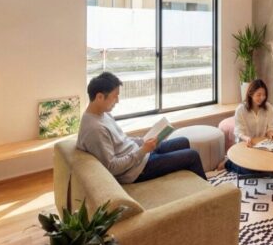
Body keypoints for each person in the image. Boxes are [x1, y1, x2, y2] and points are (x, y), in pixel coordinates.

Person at [77, 71, 206, 183]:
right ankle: (210, 195)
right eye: (115, 96)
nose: (117, 101)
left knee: (183, 141)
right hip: (136, 170)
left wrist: (142, 141)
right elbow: (112, 167)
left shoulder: (103, 113)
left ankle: (193, 185)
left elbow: (122, 140)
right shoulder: (95, 129)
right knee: (192, 155)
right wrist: (143, 150)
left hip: (139, 154)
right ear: (99, 97)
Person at [223, 79, 273, 173]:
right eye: (258, 95)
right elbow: (238, 131)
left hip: (261, 146)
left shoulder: (268, 108)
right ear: (251, 94)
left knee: (269, 169)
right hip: (246, 146)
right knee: (253, 172)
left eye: (264, 95)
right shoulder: (241, 109)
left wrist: (271, 133)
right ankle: (229, 163)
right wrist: (246, 138)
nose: (262, 97)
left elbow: (270, 127)